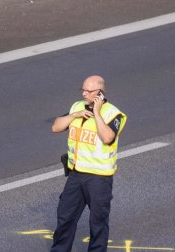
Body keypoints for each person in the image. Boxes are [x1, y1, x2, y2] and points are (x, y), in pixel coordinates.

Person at [50, 75, 127, 252]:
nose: (84, 93)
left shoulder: (112, 113)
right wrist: (75, 115)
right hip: (76, 175)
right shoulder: (77, 107)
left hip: (99, 179)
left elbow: (108, 137)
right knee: (65, 217)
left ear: (100, 93)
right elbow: (55, 127)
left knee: (97, 222)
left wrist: (97, 113)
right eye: (82, 89)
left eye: (88, 90)